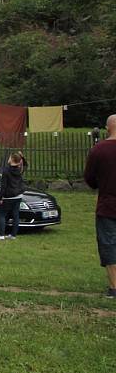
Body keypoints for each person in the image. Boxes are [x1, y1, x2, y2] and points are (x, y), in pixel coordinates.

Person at [83, 114, 116, 298]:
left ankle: (114, 287)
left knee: (109, 244)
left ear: (108, 128)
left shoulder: (99, 149)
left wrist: (99, 184)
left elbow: (89, 178)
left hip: (108, 205)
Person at [0, 152, 26, 241]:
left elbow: (3, 186)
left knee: (2, 215)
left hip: (9, 196)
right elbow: (25, 165)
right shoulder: (19, 169)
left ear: (11, 160)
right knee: (16, 215)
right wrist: (22, 158)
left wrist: (0, 198)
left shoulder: (6, 171)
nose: (8, 158)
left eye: (9, 157)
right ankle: (13, 235)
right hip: (18, 195)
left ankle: (1, 235)